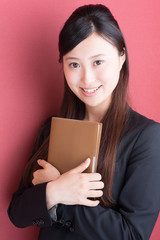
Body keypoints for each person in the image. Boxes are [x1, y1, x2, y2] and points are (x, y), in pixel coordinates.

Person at [8, 4, 160, 240]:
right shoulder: (52, 128)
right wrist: (54, 191)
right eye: (74, 64)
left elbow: (132, 235)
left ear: (121, 57)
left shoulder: (146, 137)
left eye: (98, 62)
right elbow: (17, 214)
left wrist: (61, 193)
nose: (87, 78)